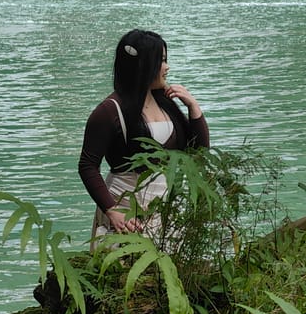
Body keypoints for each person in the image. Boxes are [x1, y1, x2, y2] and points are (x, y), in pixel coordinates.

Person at [78, 28, 209, 248]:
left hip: (164, 211)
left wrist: (193, 108)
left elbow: (199, 153)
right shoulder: (109, 110)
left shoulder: (167, 104)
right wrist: (112, 210)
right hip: (124, 211)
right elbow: (87, 165)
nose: (167, 67)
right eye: (162, 60)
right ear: (143, 66)